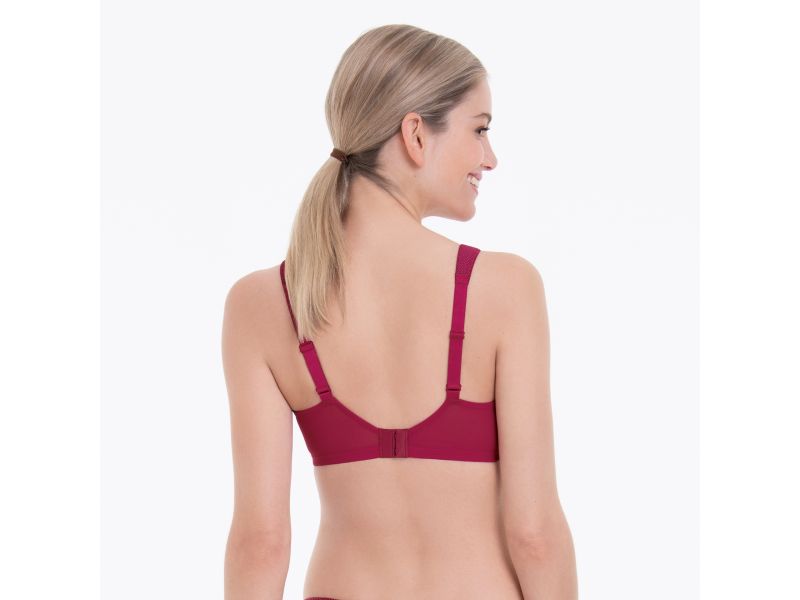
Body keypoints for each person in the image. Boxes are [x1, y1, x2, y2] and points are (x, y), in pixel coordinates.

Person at [221, 23, 577, 600]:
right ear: (415, 134)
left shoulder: (262, 303)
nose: (490, 158)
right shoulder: (505, 288)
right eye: (479, 129)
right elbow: (534, 534)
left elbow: (259, 544)